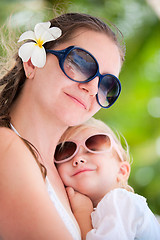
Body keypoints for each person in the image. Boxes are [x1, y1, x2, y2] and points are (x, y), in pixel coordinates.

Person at [0, 12, 125, 240]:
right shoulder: (5, 146)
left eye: (107, 84)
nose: (92, 87)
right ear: (31, 62)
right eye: (80, 62)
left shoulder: (70, 177)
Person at [55, 117, 160, 240]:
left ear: (122, 171)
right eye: (65, 154)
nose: (78, 159)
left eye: (92, 149)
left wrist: (82, 213)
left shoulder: (120, 201)